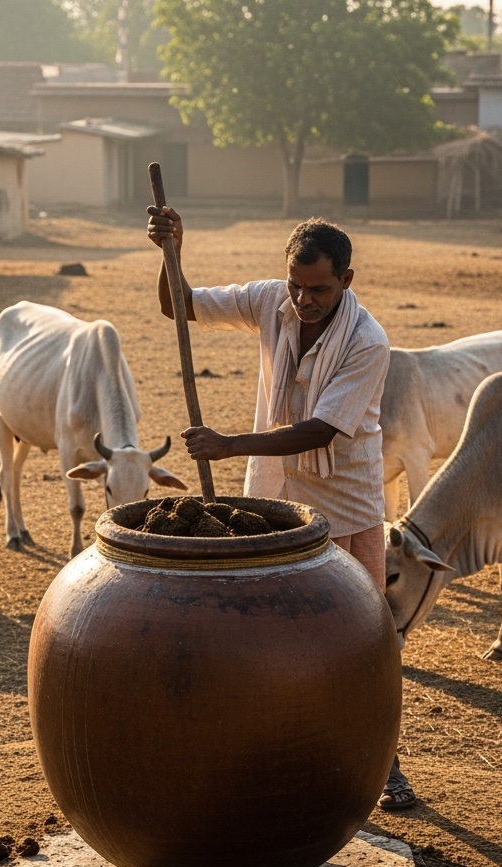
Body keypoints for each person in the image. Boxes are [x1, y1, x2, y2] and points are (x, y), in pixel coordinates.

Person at [146, 205, 415, 811]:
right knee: (268, 632)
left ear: (347, 280)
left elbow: (321, 430)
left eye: (317, 288)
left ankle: (384, 763)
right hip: (274, 493)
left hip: (344, 503)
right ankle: (271, 750)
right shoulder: (272, 301)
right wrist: (173, 252)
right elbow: (179, 305)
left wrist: (229, 444)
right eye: (295, 284)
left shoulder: (368, 342)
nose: (302, 299)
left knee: (360, 639)